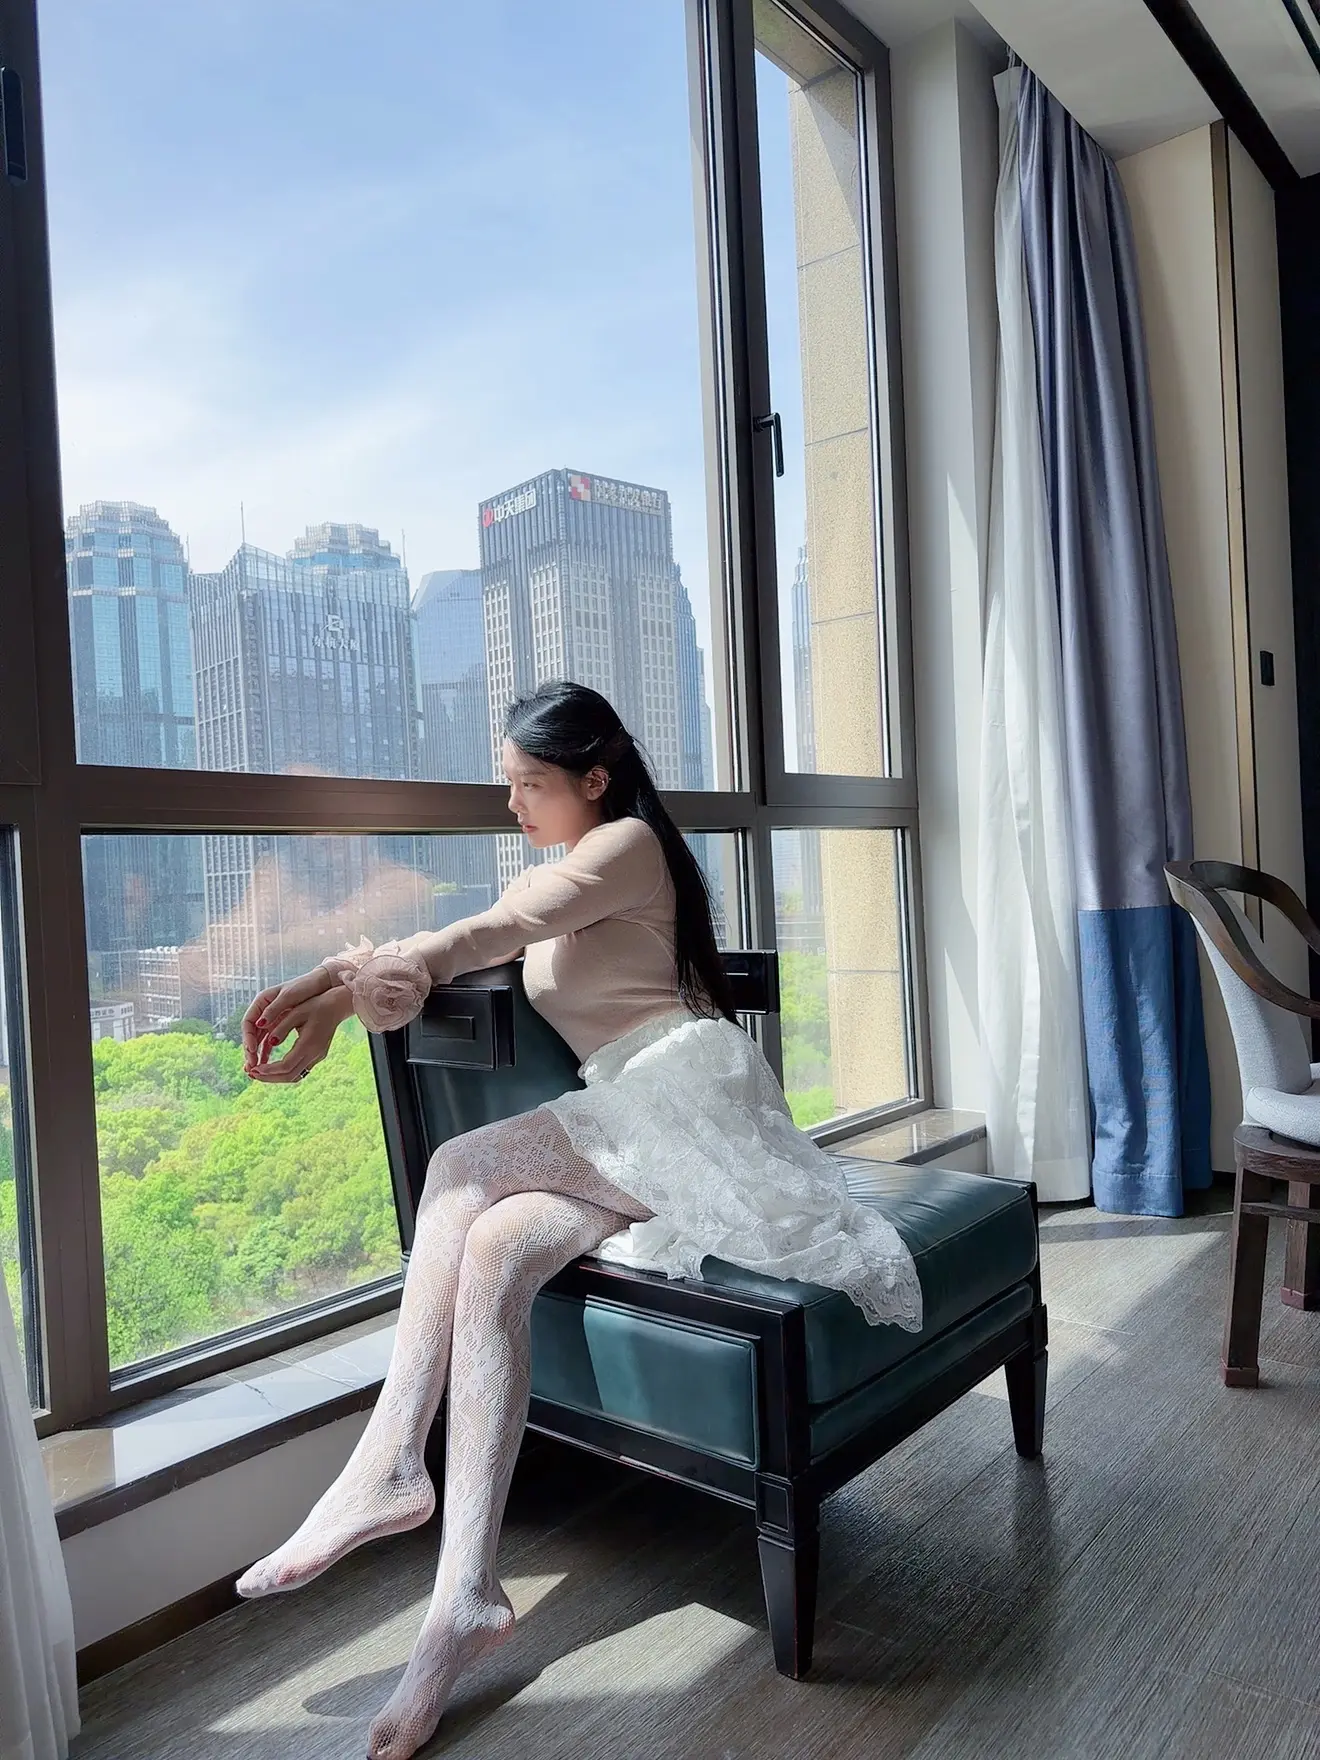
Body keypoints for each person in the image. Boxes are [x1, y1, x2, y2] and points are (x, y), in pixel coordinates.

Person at [235, 680, 922, 1760]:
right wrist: (325, 1000)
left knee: (459, 1163)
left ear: (594, 778)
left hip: (686, 1097)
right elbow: (464, 937)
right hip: (631, 1120)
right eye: (506, 783)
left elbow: (493, 928)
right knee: (496, 1248)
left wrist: (352, 986)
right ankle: (463, 1601)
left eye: (530, 783)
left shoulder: (627, 845)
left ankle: (390, 1457)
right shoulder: (568, 870)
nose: (513, 803)